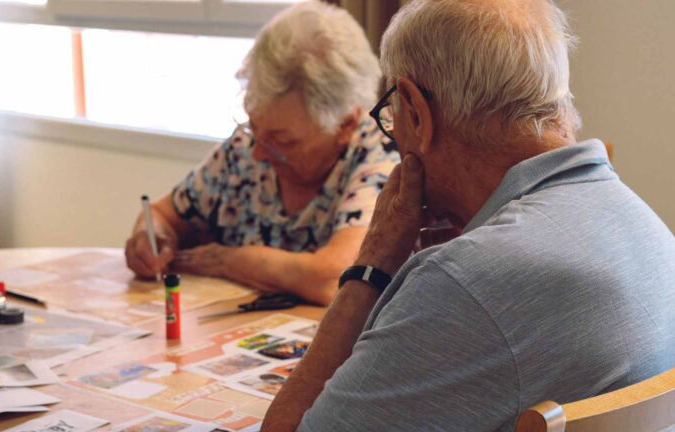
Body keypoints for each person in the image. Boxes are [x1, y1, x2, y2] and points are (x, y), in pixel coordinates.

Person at [262, 0, 675, 430]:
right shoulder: (645, 224)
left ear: (416, 111)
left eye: (392, 113)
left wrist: (373, 265)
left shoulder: (466, 279)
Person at [124, 2, 398, 306]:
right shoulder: (246, 147)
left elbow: (334, 277)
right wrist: (150, 240)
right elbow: (162, 215)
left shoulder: (382, 160)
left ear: (345, 125)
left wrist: (227, 260)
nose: (257, 154)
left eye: (283, 140)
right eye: (254, 127)